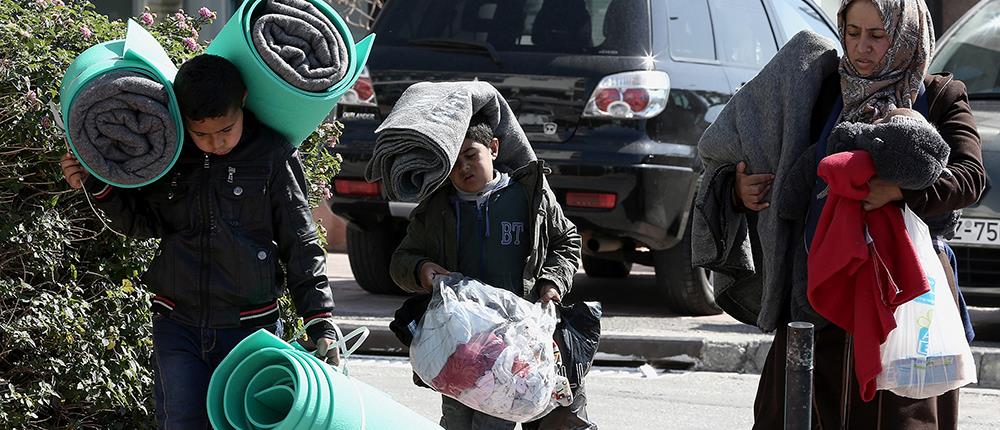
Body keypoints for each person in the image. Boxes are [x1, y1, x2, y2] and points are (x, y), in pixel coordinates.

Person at [727, 0, 986, 428]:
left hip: (903, 296)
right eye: (852, 33)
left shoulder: (939, 96)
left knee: (897, 415)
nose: (861, 47)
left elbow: (970, 178)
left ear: (905, 35)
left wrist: (899, 191)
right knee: (796, 411)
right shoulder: (822, 89)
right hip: (819, 289)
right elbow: (772, 158)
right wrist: (740, 189)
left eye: (877, 35)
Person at [59, 54, 340, 429]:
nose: (215, 143)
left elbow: (301, 242)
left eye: (226, 129)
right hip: (176, 324)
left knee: (244, 424)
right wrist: (97, 184)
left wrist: (319, 320)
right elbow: (143, 223)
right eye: (201, 133)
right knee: (180, 423)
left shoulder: (272, 156)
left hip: (250, 329)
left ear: (242, 101)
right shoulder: (168, 153)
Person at [390, 113, 586, 430]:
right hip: (459, 346)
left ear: (493, 148)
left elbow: (566, 240)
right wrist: (423, 270)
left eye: (471, 156)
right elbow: (402, 260)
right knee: (456, 423)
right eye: (454, 163)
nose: (464, 168)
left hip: (514, 346)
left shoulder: (528, 196)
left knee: (493, 424)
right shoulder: (438, 208)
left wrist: (552, 282)